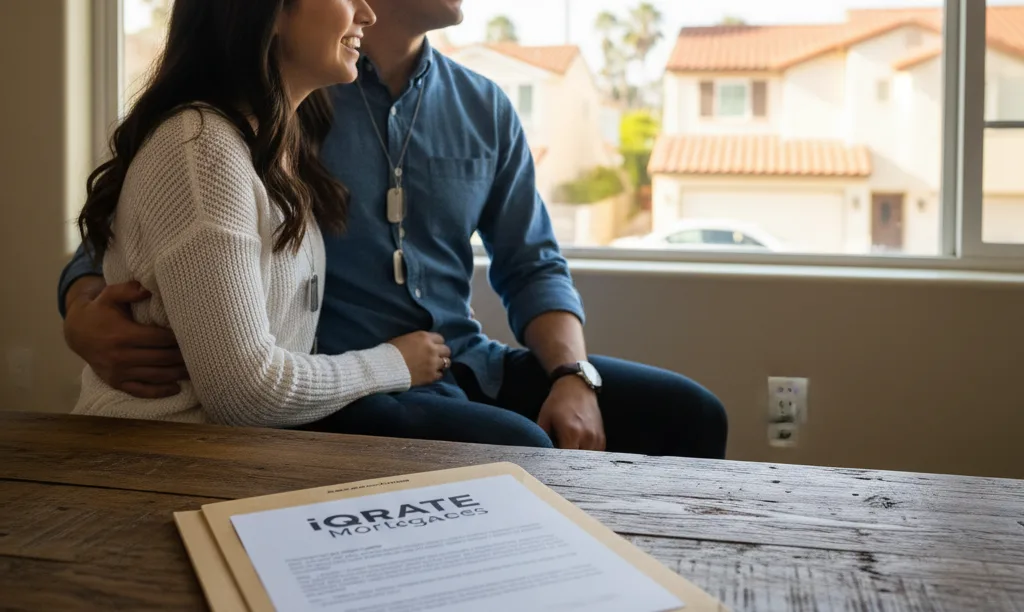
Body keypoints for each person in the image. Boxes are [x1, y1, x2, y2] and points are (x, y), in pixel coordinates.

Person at [60, 0, 728, 457]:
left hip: (463, 361)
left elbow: (533, 265)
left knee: (691, 414)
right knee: (528, 454)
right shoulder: (288, 100)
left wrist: (572, 375)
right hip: (337, 381)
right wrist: (81, 306)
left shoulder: (482, 107)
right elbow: (137, 238)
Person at [68, 0, 455, 427]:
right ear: (269, 12)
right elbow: (247, 395)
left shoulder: (271, 144)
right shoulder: (202, 150)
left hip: (249, 447)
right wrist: (395, 363)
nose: (367, 14)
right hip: (161, 461)